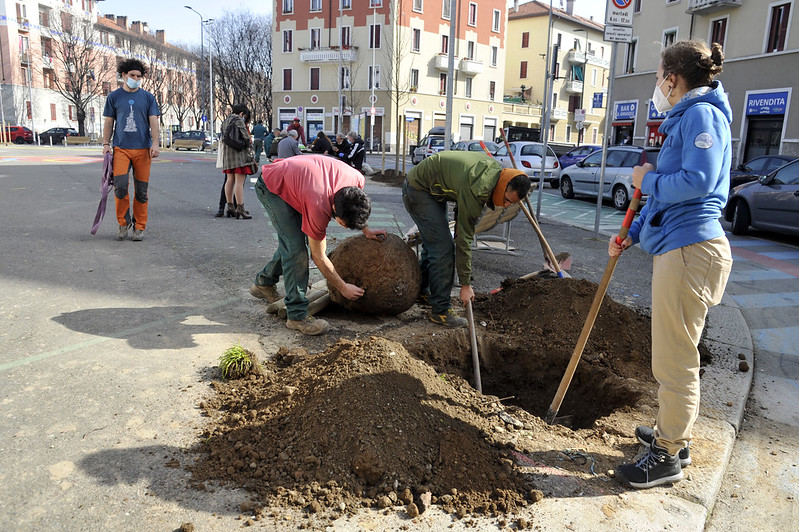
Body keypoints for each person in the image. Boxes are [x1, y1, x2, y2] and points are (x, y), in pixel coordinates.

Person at [610, 40, 733, 489]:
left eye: (658, 74)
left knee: (674, 360)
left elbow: (696, 182)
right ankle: (672, 435)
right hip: (680, 247)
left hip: (690, 252)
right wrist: (632, 233)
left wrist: (647, 178)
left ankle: (667, 456)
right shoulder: (688, 116)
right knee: (674, 354)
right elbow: (664, 199)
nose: (656, 85)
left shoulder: (700, 116)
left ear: (672, 79)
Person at [251, 155, 387, 335]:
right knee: (295, 250)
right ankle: (296, 316)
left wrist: (365, 229)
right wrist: (343, 287)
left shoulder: (357, 180)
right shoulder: (318, 206)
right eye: (345, 224)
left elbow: (355, 206)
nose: (345, 228)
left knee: (292, 243)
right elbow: (319, 256)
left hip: (299, 182)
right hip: (273, 187)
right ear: (333, 211)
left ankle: (264, 283)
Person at [403, 151, 532, 327]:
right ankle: (440, 311)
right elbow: (464, 240)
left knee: (435, 242)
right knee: (443, 248)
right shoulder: (478, 189)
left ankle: (423, 290)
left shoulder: (494, 173)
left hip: (433, 189)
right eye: (507, 199)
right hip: (418, 189)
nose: (506, 205)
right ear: (503, 187)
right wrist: (465, 285)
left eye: (511, 204)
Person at [102, 58, 160, 241]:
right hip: (121, 149)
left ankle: (139, 226)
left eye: (139, 76)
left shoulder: (148, 98)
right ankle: (123, 222)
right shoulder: (114, 97)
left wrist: (156, 142)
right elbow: (109, 122)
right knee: (120, 187)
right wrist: (105, 144)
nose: (136, 78)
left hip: (143, 149)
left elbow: (154, 120)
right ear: (124, 75)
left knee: (142, 190)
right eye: (132, 75)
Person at [219, 103, 257, 219]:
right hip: (239, 155)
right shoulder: (238, 120)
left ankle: (230, 207)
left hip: (227, 155)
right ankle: (240, 207)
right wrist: (248, 142)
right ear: (242, 113)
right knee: (239, 182)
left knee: (229, 180)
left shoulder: (225, 121)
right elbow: (246, 138)